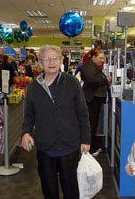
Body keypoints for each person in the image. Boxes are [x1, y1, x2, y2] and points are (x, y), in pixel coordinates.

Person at [21, 44, 90, 199]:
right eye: (46, 58)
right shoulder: (33, 87)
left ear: (61, 61)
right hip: (45, 148)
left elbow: (82, 113)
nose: (51, 62)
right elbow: (29, 115)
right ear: (40, 63)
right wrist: (25, 133)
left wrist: (86, 139)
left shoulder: (72, 83)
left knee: (70, 187)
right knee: (48, 188)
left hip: (69, 146)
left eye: (55, 58)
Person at [81, 49, 111, 156]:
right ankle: (90, 148)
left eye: (103, 58)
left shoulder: (93, 66)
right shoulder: (88, 67)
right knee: (91, 123)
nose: (102, 60)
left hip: (96, 98)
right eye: (100, 58)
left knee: (93, 123)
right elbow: (91, 80)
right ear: (93, 57)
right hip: (92, 98)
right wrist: (105, 80)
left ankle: (91, 146)